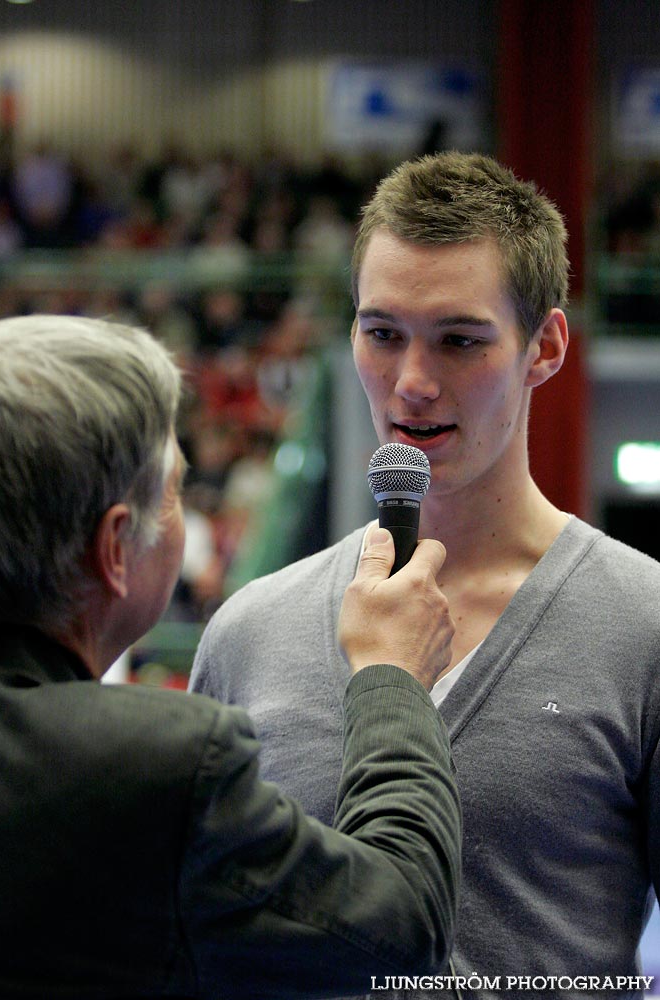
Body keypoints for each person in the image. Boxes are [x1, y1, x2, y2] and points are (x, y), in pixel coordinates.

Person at [190, 152, 660, 999]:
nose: (410, 382)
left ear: (544, 348)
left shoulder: (641, 625)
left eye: (458, 340)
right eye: (382, 333)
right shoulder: (249, 631)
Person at [0, 314, 462, 999]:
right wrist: (391, 675)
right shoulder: (151, 765)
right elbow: (400, 925)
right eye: (176, 489)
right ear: (116, 546)